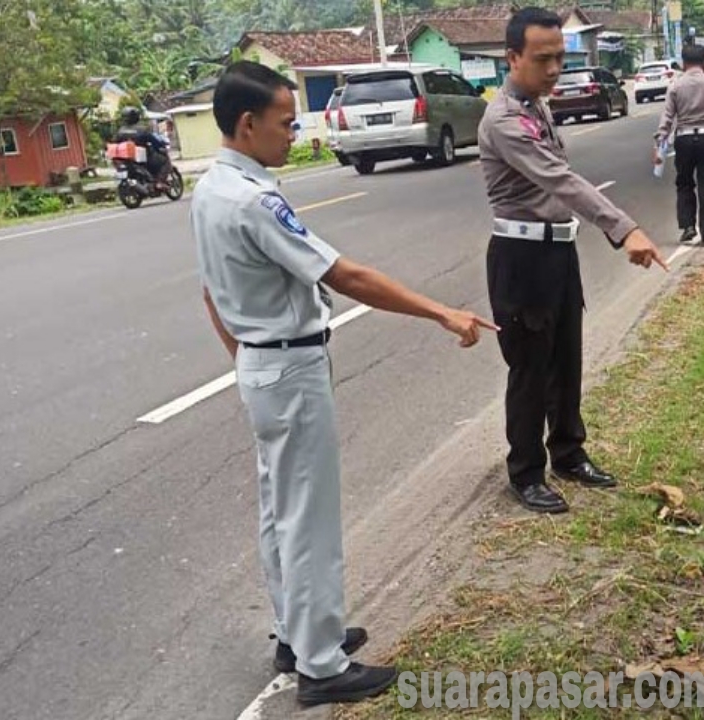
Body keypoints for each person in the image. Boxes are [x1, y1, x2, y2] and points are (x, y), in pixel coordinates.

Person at [191, 61, 496, 707]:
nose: (295, 134)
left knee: (281, 512)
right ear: (247, 125)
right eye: (284, 122)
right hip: (289, 368)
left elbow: (210, 290)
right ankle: (322, 666)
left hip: (261, 363)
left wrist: (245, 357)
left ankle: (296, 634)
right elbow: (346, 276)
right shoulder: (254, 200)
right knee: (309, 521)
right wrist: (441, 311)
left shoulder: (213, 189)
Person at [479, 7, 669, 515]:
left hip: (557, 250)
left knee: (566, 357)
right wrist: (623, 227)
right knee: (530, 367)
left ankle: (568, 452)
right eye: (543, 59)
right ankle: (525, 472)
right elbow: (560, 180)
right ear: (512, 57)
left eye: (560, 57)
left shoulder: (536, 105)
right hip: (521, 257)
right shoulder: (503, 120)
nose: (555, 69)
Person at [654, 44, 704, 245]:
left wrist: (660, 145)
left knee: (684, 183)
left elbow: (667, 118)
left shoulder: (675, 86)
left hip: (684, 139)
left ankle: (688, 226)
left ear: (683, 63)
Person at [115, 108, 173, 189]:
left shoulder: (120, 131)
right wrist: (161, 145)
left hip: (127, 159)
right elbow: (155, 141)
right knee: (164, 161)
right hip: (145, 157)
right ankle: (160, 182)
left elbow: (116, 143)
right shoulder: (142, 129)